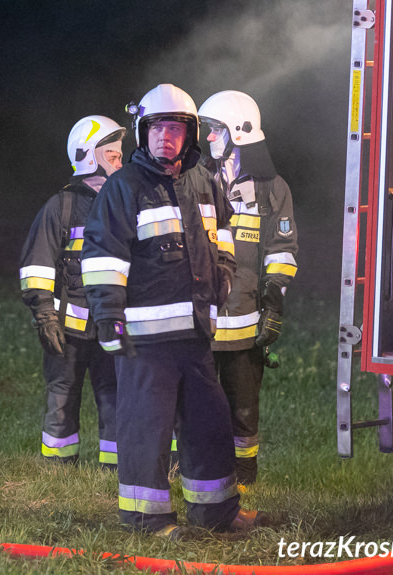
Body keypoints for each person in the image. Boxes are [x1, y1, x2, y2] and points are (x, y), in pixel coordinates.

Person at [80, 83, 265, 537]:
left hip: (196, 335)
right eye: (158, 127)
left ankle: (216, 511)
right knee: (147, 430)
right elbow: (103, 257)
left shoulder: (203, 181)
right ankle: (147, 519)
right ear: (145, 133)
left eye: (176, 129)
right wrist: (108, 318)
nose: (166, 137)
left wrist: (222, 275)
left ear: (190, 135)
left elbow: (223, 236)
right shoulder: (124, 187)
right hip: (145, 340)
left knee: (208, 424)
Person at [197, 90, 298, 485]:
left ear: (238, 132)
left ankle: (244, 474)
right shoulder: (197, 180)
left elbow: (282, 251)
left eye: (214, 130)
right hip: (201, 317)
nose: (207, 139)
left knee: (243, 405)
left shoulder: (274, 189)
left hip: (244, 318)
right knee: (196, 400)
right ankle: (191, 466)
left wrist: (273, 306)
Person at [18, 115, 124, 467]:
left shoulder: (125, 203)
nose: (121, 162)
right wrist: (45, 315)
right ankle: (59, 467)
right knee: (62, 395)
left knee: (115, 396)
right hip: (67, 329)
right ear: (89, 156)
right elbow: (36, 266)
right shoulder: (60, 207)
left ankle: (116, 466)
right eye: (113, 155)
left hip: (113, 324)